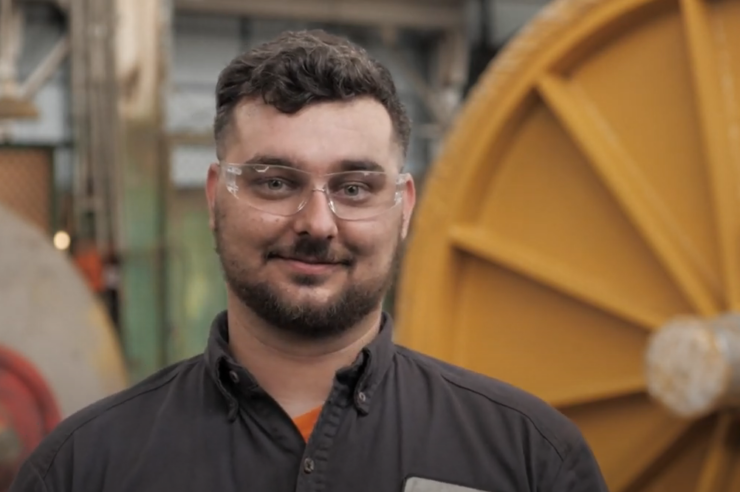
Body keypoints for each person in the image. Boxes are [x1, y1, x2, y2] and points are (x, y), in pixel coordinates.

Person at [11, 30, 608, 492]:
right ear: (217, 197)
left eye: (353, 188)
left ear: (402, 208)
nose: (317, 224)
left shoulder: (531, 459)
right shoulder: (82, 470)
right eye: (275, 182)